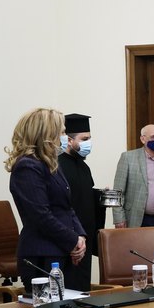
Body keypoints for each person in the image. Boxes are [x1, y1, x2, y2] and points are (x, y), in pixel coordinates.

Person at [5, 108, 86, 296]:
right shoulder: (27, 166)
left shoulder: (50, 163)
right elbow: (40, 216)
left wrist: (80, 237)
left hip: (63, 250)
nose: (65, 137)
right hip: (41, 254)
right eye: (62, 132)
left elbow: (66, 207)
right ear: (47, 134)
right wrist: (72, 240)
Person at [58, 113, 105, 292]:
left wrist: (101, 195)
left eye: (89, 139)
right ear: (69, 141)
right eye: (84, 139)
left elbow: (84, 195)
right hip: (69, 236)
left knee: (83, 287)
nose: (88, 143)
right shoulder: (57, 166)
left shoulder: (84, 166)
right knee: (69, 286)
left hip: (85, 235)